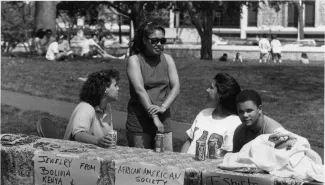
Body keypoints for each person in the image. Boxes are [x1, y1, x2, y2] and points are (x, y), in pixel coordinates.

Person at [126, 21, 180, 152]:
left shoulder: (167, 59)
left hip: (163, 118)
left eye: (162, 40)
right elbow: (140, 90)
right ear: (144, 40)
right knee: (141, 163)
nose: (159, 44)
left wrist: (163, 108)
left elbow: (176, 86)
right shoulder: (135, 60)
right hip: (140, 121)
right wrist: (154, 117)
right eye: (155, 40)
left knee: (165, 161)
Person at [180, 73, 242, 157]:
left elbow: (228, 157)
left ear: (220, 95)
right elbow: (189, 141)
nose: (207, 90)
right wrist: (181, 159)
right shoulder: (203, 114)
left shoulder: (235, 124)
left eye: (211, 88)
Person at [64, 69, 120, 148]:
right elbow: (79, 134)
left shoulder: (107, 107)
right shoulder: (86, 108)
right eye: (115, 85)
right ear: (105, 89)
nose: (118, 88)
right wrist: (98, 141)